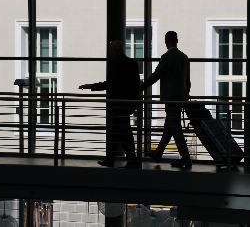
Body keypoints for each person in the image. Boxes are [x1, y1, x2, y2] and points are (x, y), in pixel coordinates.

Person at [79, 40, 140, 169]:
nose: (109, 52)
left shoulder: (116, 64)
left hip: (119, 103)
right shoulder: (132, 64)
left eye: (110, 50)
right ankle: (114, 159)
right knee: (118, 131)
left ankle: (125, 160)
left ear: (115, 50)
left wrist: (91, 86)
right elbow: (136, 85)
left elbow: (110, 84)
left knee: (121, 132)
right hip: (128, 103)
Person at [140, 31, 192, 168]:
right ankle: (158, 153)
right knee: (169, 127)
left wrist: (140, 88)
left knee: (175, 127)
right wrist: (185, 96)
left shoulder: (166, 57)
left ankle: (185, 157)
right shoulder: (184, 57)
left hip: (170, 98)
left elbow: (155, 76)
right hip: (181, 98)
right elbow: (188, 81)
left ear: (166, 41)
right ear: (177, 40)